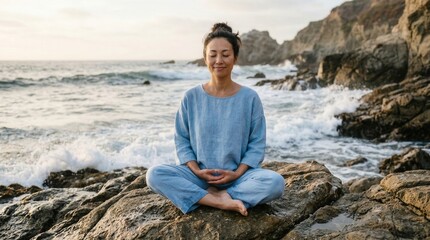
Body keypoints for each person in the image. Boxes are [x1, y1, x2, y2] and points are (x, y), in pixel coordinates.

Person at [146, 22, 284, 216]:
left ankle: (220, 195)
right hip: (198, 177)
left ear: (235, 58)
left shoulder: (250, 98)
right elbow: (182, 141)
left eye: (225, 54)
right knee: (154, 175)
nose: (219, 60)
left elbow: (256, 145)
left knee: (276, 183)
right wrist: (196, 171)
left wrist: (236, 173)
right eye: (213, 55)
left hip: (239, 178)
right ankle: (219, 201)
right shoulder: (191, 97)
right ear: (205, 58)